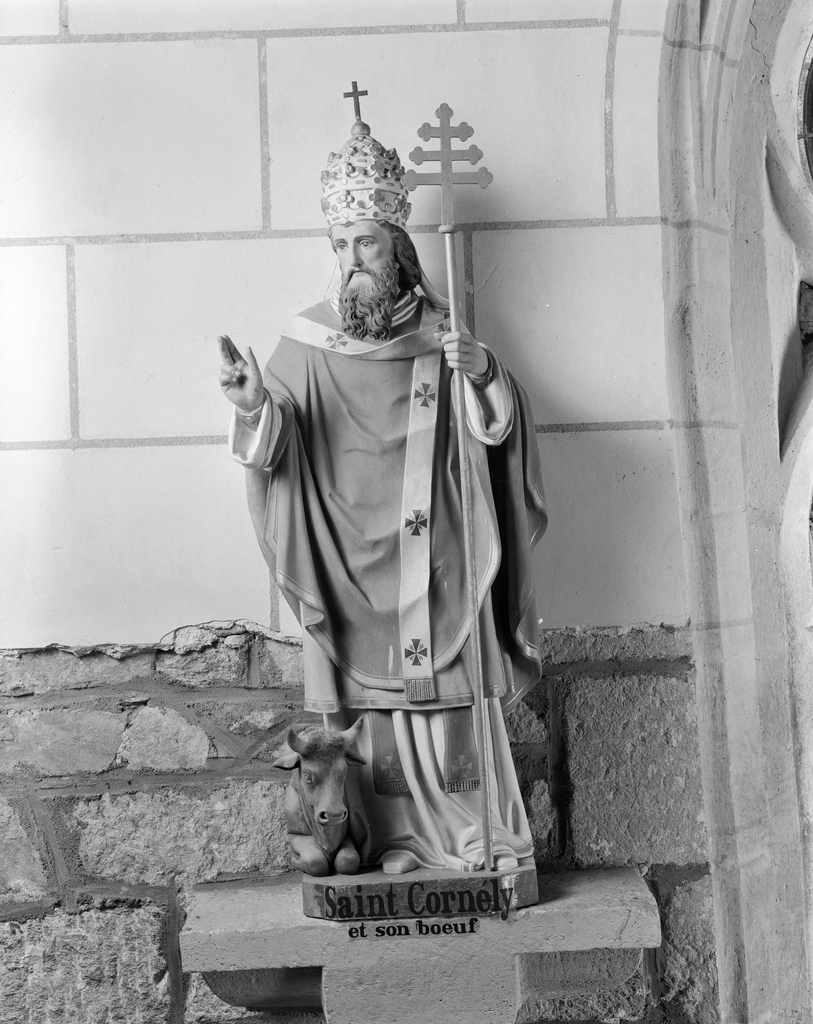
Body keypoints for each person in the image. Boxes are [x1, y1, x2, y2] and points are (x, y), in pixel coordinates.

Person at [219, 112, 547, 875]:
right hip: (346, 551)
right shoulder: (308, 340)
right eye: (339, 245)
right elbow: (276, 440)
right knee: (376, 711)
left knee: (451, 692)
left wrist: (482, 375)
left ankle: (471, 836)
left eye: (364, 242)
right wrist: (251, 404)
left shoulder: (443, 331)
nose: (350, 260)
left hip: (437, 546)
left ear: (397, 245)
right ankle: (393, 837)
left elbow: (498, 432)